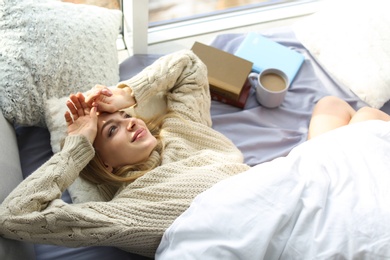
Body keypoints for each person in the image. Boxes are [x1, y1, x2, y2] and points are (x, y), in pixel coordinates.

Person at [0, 49, 389, 258]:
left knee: (332, 104)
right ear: (105, 163)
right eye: (112, 129)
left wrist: (129, 93)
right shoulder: (128, 209)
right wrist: (77, 145)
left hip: (289, 186)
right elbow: (16, 216)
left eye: (125, 116)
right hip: (279, 225)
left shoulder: (181, 129)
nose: (130, 121)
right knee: (368, 117)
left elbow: (188, 65)